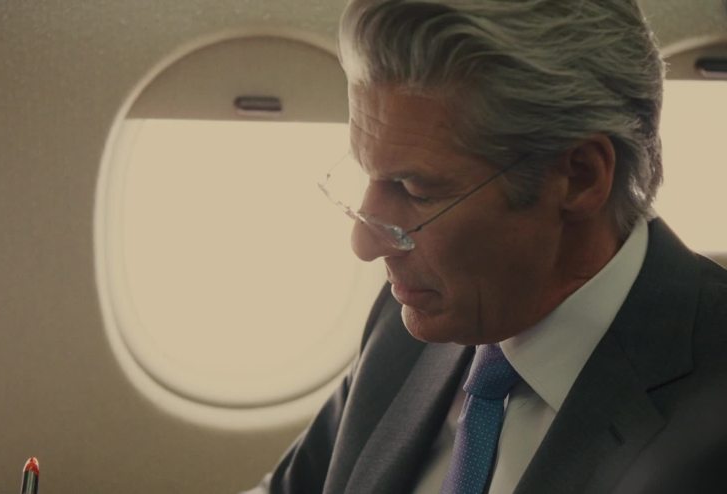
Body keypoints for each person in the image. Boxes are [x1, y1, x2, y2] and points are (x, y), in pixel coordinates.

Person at [246, 0, 727, 492]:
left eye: (415, 191)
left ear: (579, 177)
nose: (364, 244)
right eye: (368, 175)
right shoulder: (405, 321)